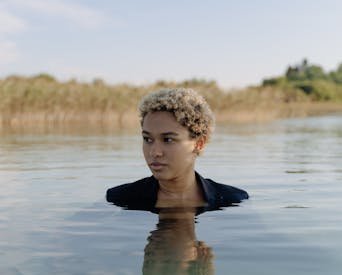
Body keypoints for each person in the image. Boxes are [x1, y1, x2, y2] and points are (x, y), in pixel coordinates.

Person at [106, 87, 248, 212]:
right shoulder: (120, 199)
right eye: (148, 139)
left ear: (199, 143)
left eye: (168, 139)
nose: (154, 152)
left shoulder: (232, 200)